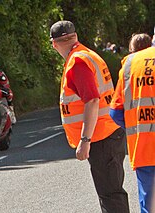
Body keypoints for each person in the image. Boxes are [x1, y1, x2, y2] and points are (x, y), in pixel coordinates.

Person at [49, 20, 129, 212]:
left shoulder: (77, 62)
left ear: (54, 44)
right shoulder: (88, 54)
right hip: (109, 132)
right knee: (112, 192)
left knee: (110, 195)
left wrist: (85, 140)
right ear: (75, 36)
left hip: (101, 137)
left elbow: (92, 100)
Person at [110, 30, 155, 212]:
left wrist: (135, 124)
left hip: (144, 146)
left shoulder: (130, 64)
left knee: (150, 203)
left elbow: (115, 112)